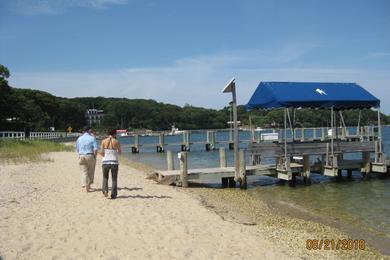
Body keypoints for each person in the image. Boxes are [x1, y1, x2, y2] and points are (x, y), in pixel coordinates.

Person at [99, 129, 122, 199]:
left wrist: (105, 155)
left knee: (105, 177)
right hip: (114, 162)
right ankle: (113, 194)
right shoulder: (116, 141)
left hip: (105, 162)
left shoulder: (103, 141)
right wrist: (115, 153)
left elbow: (101, 152)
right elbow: (120, 152)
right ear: (114, 134)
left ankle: (105, 190)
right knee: (114, 179)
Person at [76, 126, 98, 192]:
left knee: (84, 172)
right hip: (90, 155)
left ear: (83, 131)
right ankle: (88, 186)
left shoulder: (79, 139)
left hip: (81, 155)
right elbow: (95, 149)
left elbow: (77, 149)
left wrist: (80, 154)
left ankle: (86, 186)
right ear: (89, 130)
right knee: (90, 172)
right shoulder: (92, 138)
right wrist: (95, 156)